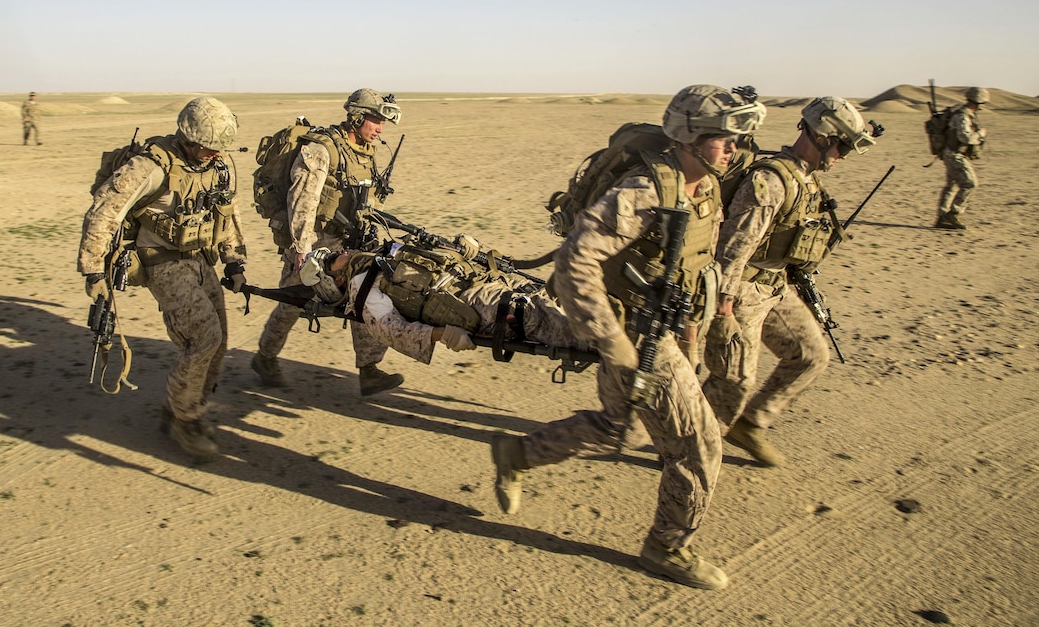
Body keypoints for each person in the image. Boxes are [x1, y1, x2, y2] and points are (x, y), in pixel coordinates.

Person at [490, 85, 767, 590]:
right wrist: (612, 340)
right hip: (638, 334)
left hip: (669, 327)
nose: (734, 147)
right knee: (701, 444)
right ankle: (667, 547)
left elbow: (689, 260)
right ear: (688, 137)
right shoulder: (647, 190)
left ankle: (517, 455)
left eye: (738, 138)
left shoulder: (703, 185)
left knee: (623, 430)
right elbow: (575, 260)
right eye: (724, 138)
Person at [703, 96, 882, 467]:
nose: (843, 155)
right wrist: (723, 305)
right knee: (733, 380)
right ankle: (692, 443)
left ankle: (750, 426)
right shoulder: (770, 180)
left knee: (811, 356)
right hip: (743, 291)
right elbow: (734, 246)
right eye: (842, 145)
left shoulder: (807, 181)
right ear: (821, 136)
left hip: (774, 286)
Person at [77, 97, 248, 461]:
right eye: (209, 148)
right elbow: (103, 212)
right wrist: (93, 269)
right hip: (162, 262)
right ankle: (184, 422)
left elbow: (226, 213)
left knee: (220, 342)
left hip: (202, 258)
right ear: (189, 138)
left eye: (220, 149)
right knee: (203, 338)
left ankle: (183, 407)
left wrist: (234, 260)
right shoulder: (149, 167)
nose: (216, 155)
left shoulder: (217, 165)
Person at [252, 89, 405, 395]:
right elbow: (303, 201)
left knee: (363, 294)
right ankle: (265, 357)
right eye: (375, 120)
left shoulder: (365, 151)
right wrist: (301, 250)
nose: (380, 128)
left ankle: (369, 370)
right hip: (315, 240)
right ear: (357, 116)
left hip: (349, 239)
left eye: (382, 122)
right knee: (292, 301)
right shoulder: (322, 149)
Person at [295, 242, 592, 365]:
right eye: (334, 258)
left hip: (483, 281)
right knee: (562, 324)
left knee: (573, 297)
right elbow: (393, 331)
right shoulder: (362, 289)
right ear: (336, 281)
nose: (342, 250)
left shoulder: (379, 255)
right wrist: (443, 335)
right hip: (479, 303)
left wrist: (461, 247)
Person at [935, 87, 988, 230]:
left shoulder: (964, 113)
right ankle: (954, 214)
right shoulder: (962, 116)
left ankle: (942, 216)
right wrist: (980, 134)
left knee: (951, 186)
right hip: (955, 155)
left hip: (951, 154)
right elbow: (964, 137)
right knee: (971, 184)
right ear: (977, 102)